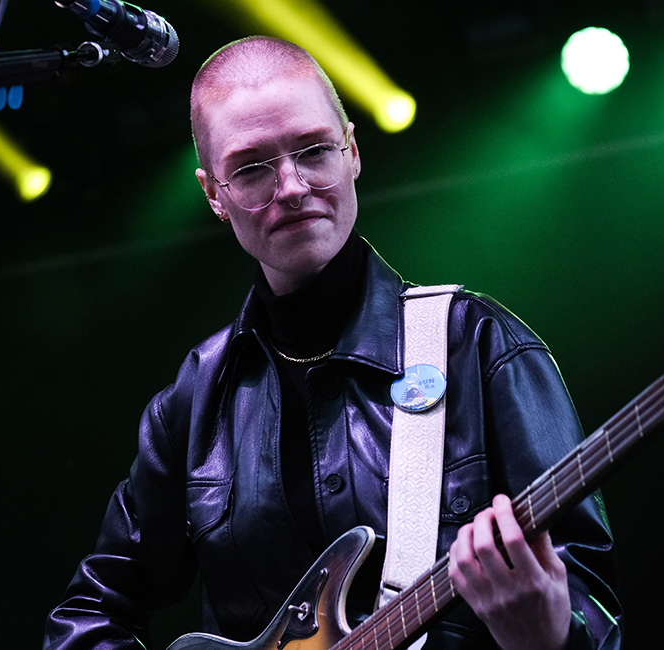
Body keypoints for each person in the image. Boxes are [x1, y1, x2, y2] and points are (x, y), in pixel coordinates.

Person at [44, 36, 622, 650]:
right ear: (214, 193)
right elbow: (90, 613)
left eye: (314, 151)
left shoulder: (476, 347)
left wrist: (552, 635)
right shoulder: (192, 404)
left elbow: (595, 610)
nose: (292, 187)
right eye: (251, 167)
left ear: (351, 151)